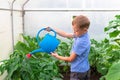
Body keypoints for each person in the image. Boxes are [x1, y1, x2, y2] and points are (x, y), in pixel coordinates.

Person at [47, 15, 91, 80]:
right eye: (74, 30)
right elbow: (65, 34)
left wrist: (57, 56)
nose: (74, 32)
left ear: (85, 30)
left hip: (78, 72)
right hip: (85, 69)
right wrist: (52, 30)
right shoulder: (82, 34)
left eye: (76, 31)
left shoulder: (81, 42)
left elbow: (70, 59)